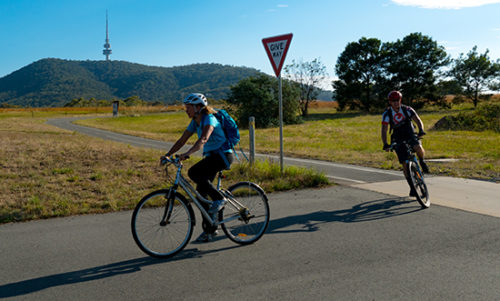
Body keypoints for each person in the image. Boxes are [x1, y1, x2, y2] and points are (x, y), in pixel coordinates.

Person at [162, 93, 234, 242]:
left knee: (193, 172)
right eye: (185, 108)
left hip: (222, 156)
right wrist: (168, 154)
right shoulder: (195, 121)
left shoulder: (210, 119)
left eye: (188, 108)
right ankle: (210, 229)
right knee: (200, 193)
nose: (186, 110)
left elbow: (204, 139)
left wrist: (188, 153)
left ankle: (220, 199)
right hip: (212, 157)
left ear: (198, 107)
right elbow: (182, 139)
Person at [381, 90, 429, 197]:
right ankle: (412, 187)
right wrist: (385, 143)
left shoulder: (407, 109)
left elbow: (418, 120)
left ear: (400, 100)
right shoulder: (387, 114)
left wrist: (421, 130)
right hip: (397, 136)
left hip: (409, 132)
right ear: (390, 102)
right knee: (404, 164)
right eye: (393, 101)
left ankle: (422, 161)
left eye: (397, 100)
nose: (395, 103)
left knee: (418, 147)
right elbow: (384, 129)